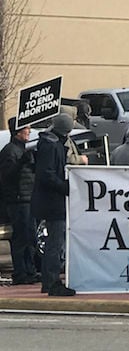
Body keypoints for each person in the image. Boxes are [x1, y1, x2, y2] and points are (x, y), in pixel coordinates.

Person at [31, 114, 76, 296]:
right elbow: (47, 174)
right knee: (55, 244)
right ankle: (51, 282)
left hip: (51, 200)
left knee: (55, 243)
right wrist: (65, 186)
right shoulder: (51, 146)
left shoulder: (51, 143)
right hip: (52, 202)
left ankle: (51, 281)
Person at [0, 119, 39, 285]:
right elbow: (7, 176)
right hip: (18, 200)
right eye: (26, 128)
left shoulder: (22, 149)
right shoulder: (10, 151)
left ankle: (29, 270)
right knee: (21, 237)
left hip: (27, 198)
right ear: (18, 132)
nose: (29, 131)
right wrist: (21, 162)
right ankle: (20, 272)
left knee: (30, 236)